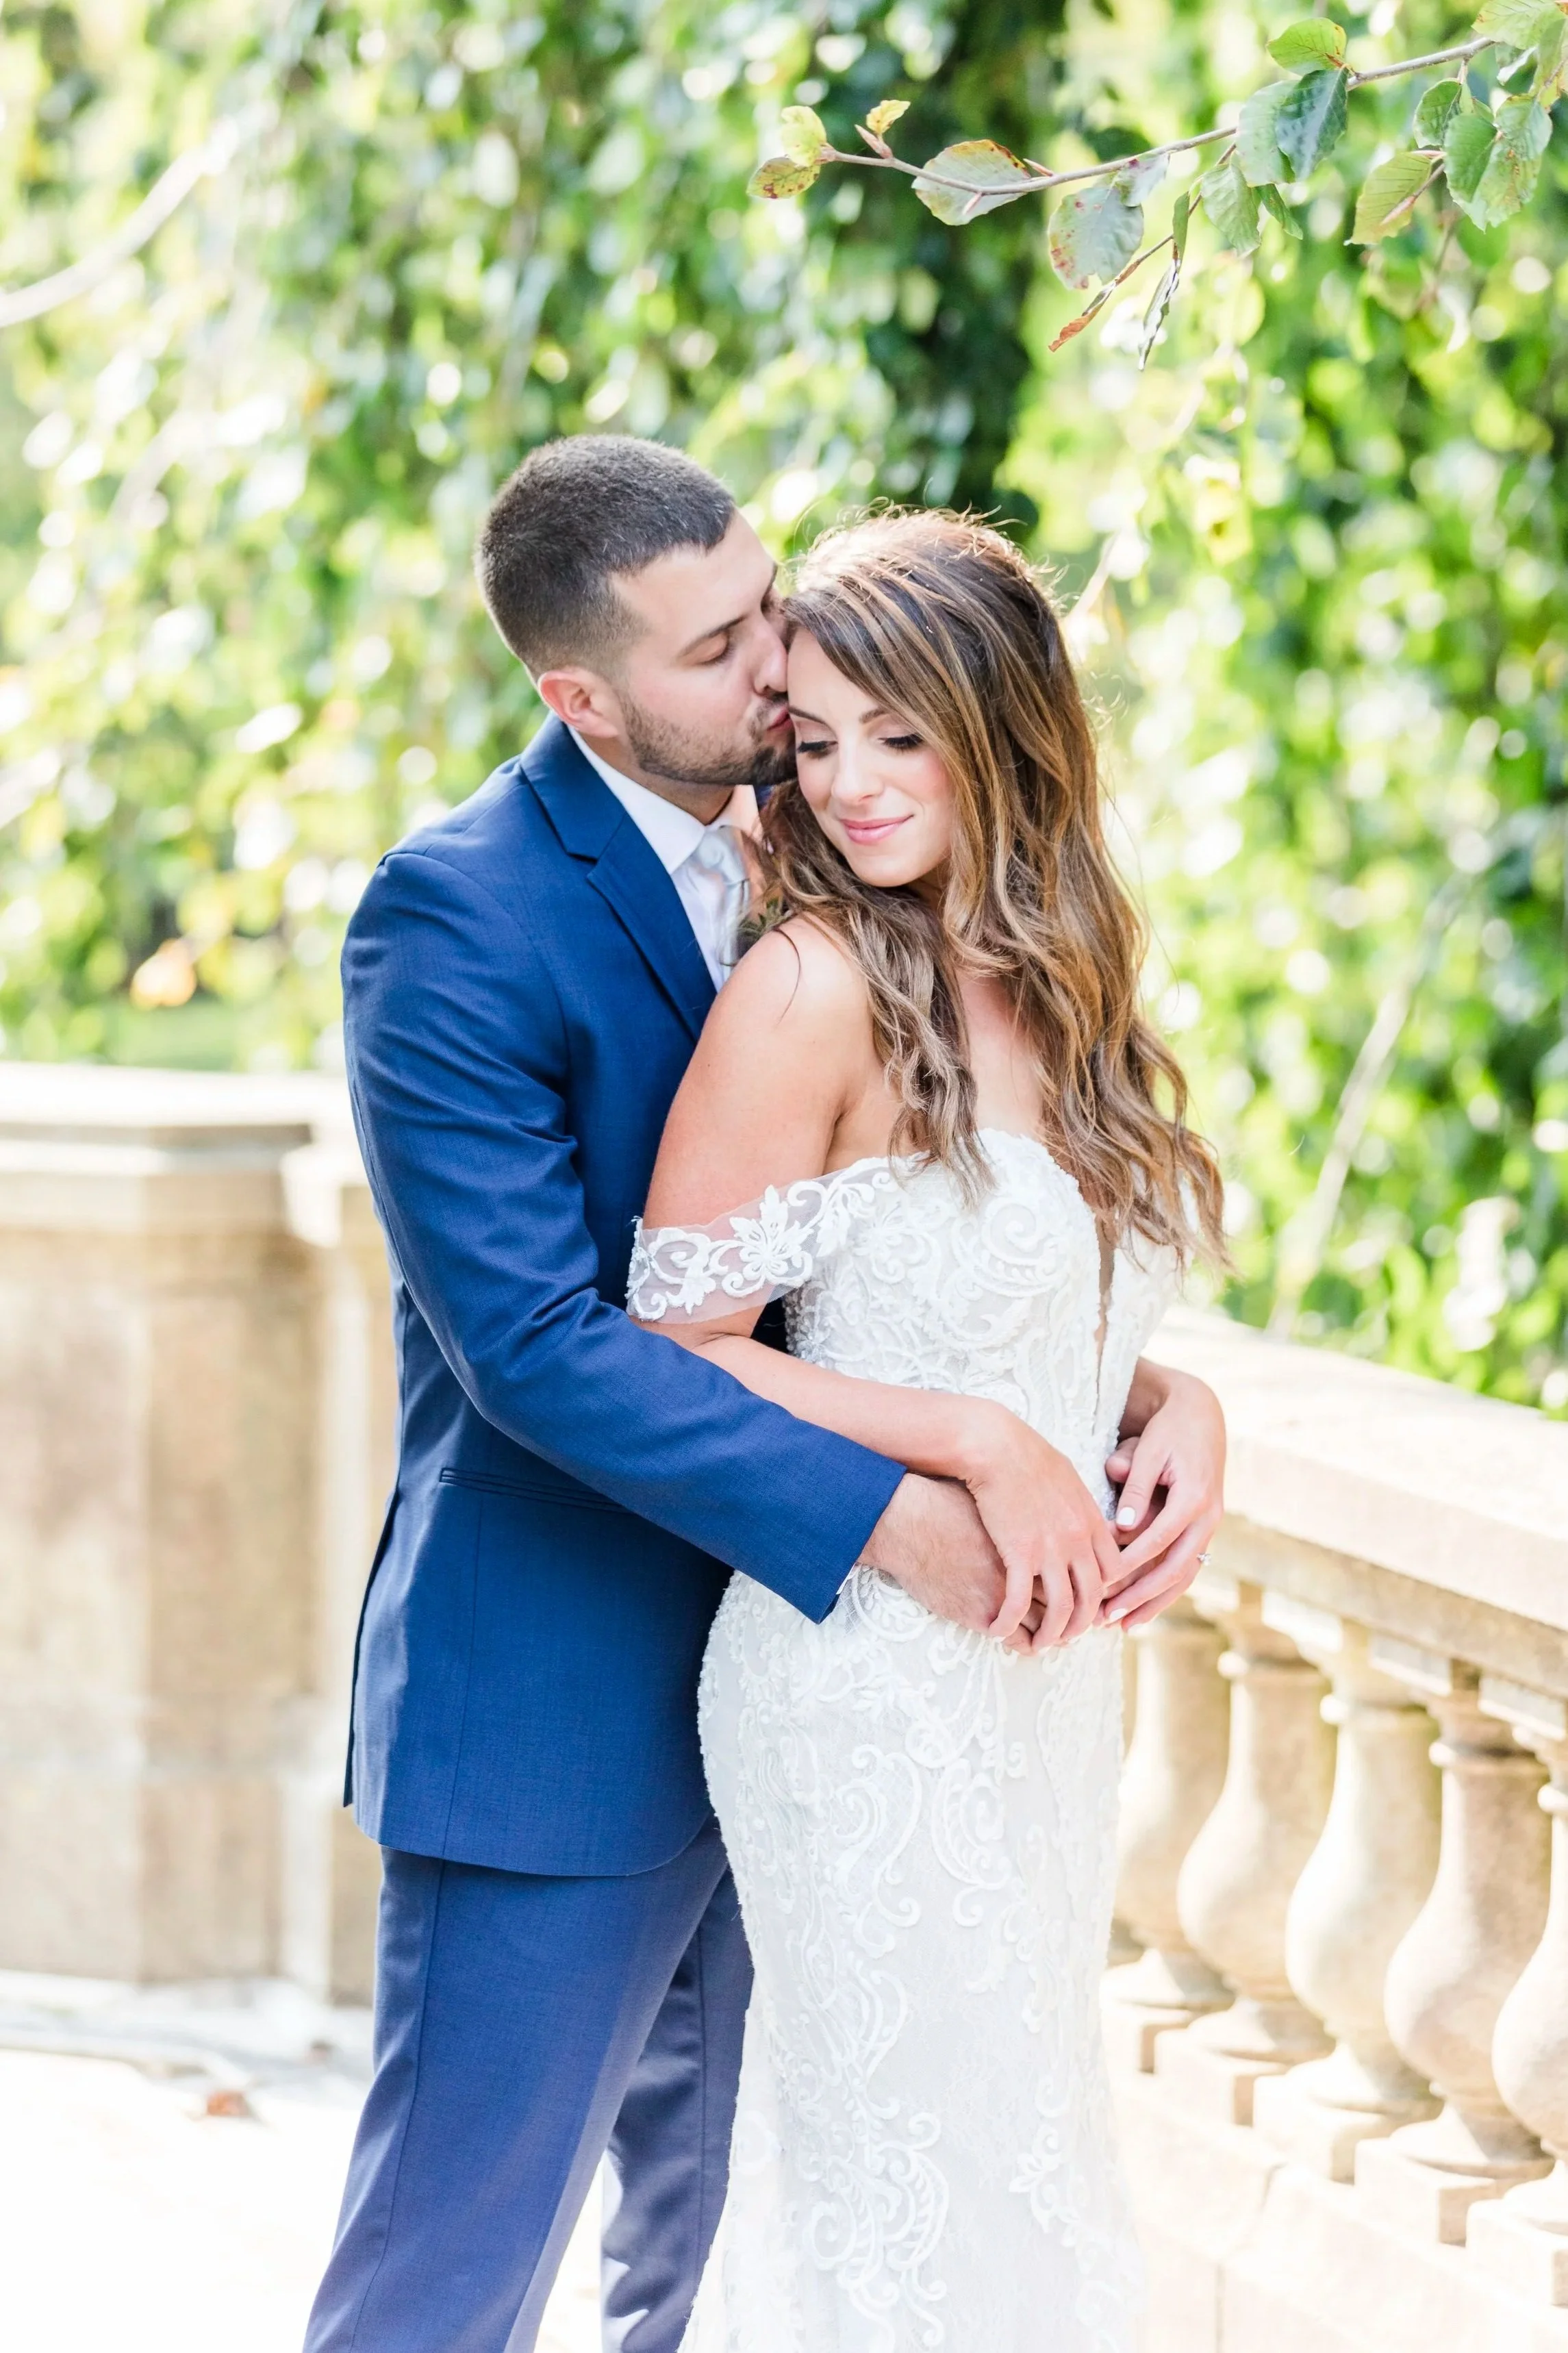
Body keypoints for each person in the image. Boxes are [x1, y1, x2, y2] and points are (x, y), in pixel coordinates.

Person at [303, 436, 1224, 2353]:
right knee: (447, 2282)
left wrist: (1157, 1404)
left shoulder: (856, 866)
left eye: (769, 600)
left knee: (739, 2267)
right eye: (725, 651)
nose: (781, 665)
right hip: (566, 1705)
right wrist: (929, 1483)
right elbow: (552, 1343)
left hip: (890, 1709)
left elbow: (934, 1254)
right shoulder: (453, 915)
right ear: (584, 694)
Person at [627, 509, 1228, 2352]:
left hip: (1040, 1694)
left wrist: (1174, 1399)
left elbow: (1044, 1293)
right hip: (863, 1675)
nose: (854, 783)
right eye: (818, 740)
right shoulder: (808, 987)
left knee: (1025, 2157)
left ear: (1006, 722)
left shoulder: (1073, 984)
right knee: (902, 2185)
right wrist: (966, 1433)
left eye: (902, 733)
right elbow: (672, 1340)